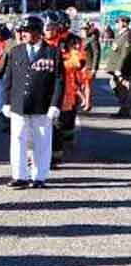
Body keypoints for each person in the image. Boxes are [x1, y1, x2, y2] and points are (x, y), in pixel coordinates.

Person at [2, 15, 64, 189]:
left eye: (27, 31)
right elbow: (9, 79)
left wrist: (55, 104)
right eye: (22, 31)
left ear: (37, 32)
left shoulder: (52, 52)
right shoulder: (16, 51)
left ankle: (39, 176)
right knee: (17, 141)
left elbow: (59, 81)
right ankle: (19, 175)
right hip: (19, 104)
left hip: (42, 105)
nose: (23, 34)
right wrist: (6, 101)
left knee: (42, 142)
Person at [43, 12, 84, 165]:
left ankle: (56, 155)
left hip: (65, 85)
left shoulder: (71, 40)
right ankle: (48, 154)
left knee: (61, 122)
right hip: (43, 86)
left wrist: (57, 66)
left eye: (52, 26)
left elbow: (79, 61)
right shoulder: (40, 41)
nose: (49, 30)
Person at [104, 15, 131, 118]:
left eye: (118, 22)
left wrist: (119, 69)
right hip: (115, 67)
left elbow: (125, 53)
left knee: (123, 86)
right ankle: (125, 107)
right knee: (115, 84)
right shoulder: (120, 34)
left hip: (122, 67)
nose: (117, 24)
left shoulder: (128, 35)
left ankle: (125, 108)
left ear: (124, 22)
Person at [81, 23, 101, 111]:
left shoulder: (92, 39)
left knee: (87, 86)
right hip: (81, 67)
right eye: (82, 29)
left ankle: (87, 104)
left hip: (88, 66)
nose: (83, 31)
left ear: (89, 30)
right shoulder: (83, 39)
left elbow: (96, 54)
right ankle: (84, 100)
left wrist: (94, 68)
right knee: (81, 86)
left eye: (85, 29)